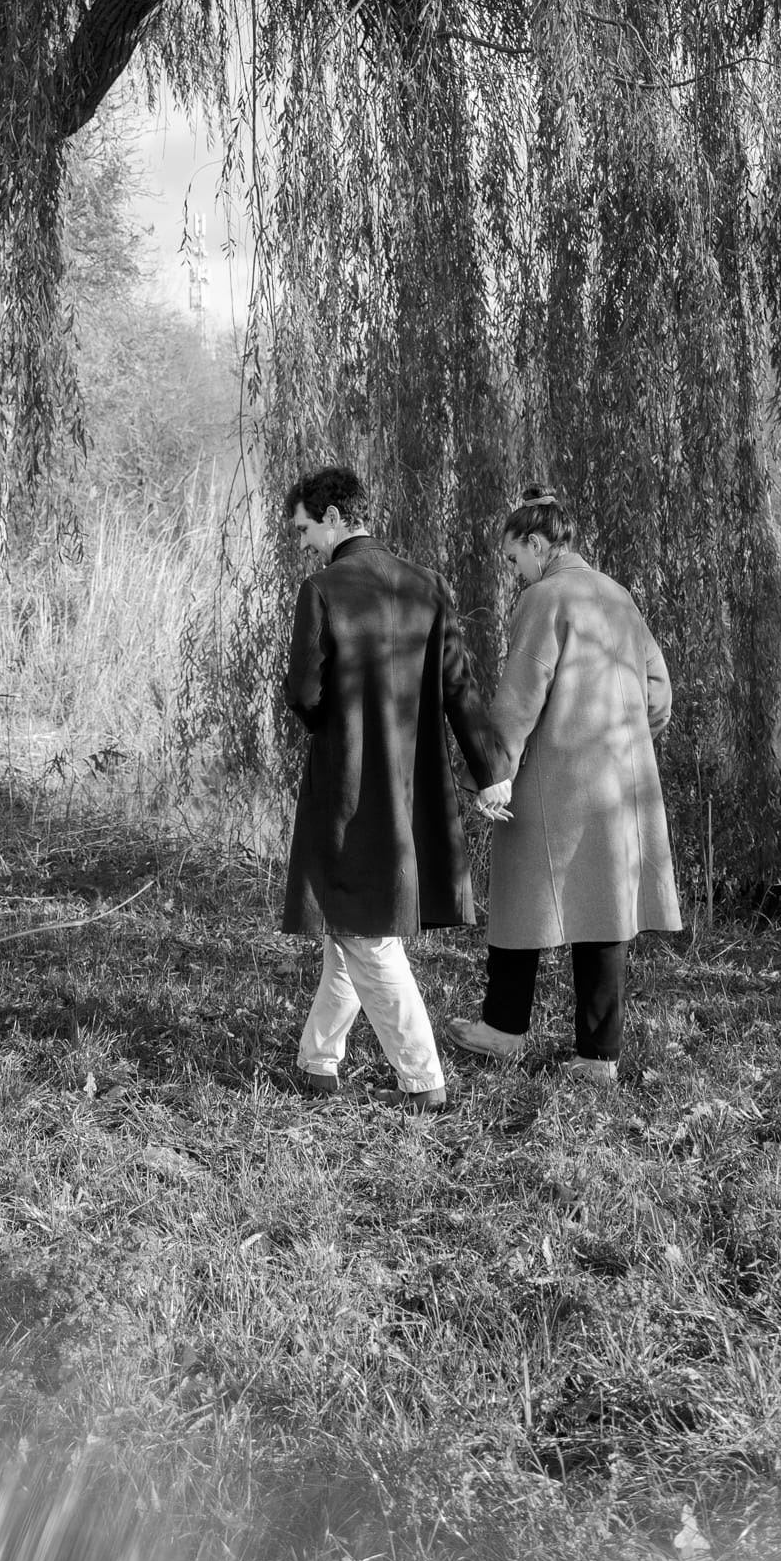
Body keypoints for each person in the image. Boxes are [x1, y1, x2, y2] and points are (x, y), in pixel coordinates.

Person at [279, 463, 498, 1114]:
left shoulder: (322, 589)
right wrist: (493, 771)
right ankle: (317, 1062)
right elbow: (459, 689)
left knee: (363, 932)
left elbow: (302, 692)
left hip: (347, 788)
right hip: (411, 789)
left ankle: (423, 1079)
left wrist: (338, 725)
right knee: (350, 924)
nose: (302, 543)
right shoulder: (428, 586)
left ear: (336, 518)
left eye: (305, 529)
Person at [445, 486, 677, 1090]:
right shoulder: (618, 595)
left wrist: (492, 775)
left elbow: (521, 695)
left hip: (556, 781)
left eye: (513, 557)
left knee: (522, 899)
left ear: (536, 543)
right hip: (618, 784)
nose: (512, 571)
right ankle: (598, 1058)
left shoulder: (544, 598)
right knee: (606, 914)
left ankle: (504, 1028)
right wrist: (627, 741)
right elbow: (658, 692)